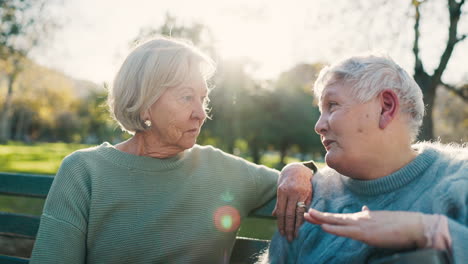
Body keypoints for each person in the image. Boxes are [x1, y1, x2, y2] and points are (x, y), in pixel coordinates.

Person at [29, 37, 316, 264]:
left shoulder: (225, 170)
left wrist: (297, 169)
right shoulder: (84, 171)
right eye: (186, 97)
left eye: (203, 99)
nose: (200, 114)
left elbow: (310, 180)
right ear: (144, 103)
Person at [266, 54, 467, 264]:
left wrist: (428, 230)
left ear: (386, 107)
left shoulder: (460, 181)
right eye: (321, 110)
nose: (318, 126)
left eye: (332, 105)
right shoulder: (309, 195)